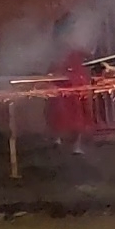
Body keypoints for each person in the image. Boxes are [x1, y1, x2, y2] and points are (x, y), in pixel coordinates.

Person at [46, 14, 93, 155]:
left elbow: (86, 54)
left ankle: (74, 144)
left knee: (78, 112)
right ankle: (59, 139)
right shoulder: (58, 45)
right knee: (59, 110)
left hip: (76, 81)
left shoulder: (74, 44)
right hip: (63, 80)